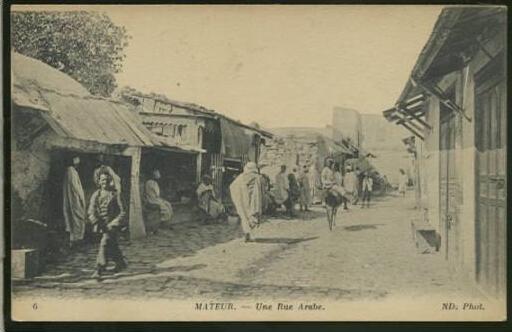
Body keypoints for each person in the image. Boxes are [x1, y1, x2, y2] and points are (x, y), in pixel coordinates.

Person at [88, 171, 127, 278]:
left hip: (113, 225)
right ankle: (120, 262)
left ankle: (99, 268)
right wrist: (95, 221)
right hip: (101, 225)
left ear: (110, 181)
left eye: (106, 179)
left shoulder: (115, 194)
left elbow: (123, 212)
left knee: (104, 243)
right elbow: (91, 211)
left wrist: (114, 223)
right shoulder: (96, 195)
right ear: (99, 182)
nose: (104, 182)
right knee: (112, 244)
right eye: (102, 180)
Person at [229, 162, 264, 242]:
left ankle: (247, 233)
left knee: (244, 217)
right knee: (253, 216)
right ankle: (251, 234)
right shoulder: (258, 177)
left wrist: (237, 198)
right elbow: (262, 190)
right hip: (254, 201)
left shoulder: (241, 177)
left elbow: (232, 186)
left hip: (243, 201)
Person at [63, 156, 86, 247]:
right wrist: (80, 197)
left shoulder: (72, 171)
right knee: (78, 217)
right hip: (74, 199)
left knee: (76, 217)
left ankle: (75, 238)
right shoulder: (71, 171)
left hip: (74, 198)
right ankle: (77, 238)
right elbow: (74, 186)